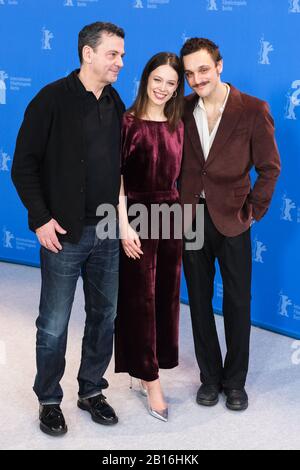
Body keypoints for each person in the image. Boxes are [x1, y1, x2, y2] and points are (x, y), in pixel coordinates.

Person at [11, 22, 125, 436]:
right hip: (63, 235)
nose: (120, 62)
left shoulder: (115, 101)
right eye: (113, 54)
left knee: (104, 316)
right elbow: (23, 165)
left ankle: (92, 390)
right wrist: (40, 218)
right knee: (55, 322)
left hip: (108, 233)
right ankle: (48, 398)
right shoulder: (50, 100)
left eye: (122, 55)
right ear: (88, 53)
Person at [179, 38, 281, 411]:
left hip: (235, 218)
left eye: (203, 69)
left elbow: (270, 168)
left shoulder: (252, 110)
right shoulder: (182, 108)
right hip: (190, 219)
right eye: (189, 73)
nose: (196, 79)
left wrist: (253, 210)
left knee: (238, 302)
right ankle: (210, 377)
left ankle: (235, 381)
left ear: (219, 65)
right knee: (199, 303)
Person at [115, 52, 184, 422]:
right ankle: (149, 377)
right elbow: (118, 179)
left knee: (165, 299)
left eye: (171, 83)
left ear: (177, 89)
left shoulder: (179, 123)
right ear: (145, 79)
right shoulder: (126, 122)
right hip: (135, 215)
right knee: (138, 298)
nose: (163, 88)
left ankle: (151, 368)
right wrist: (123, 225)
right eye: (158, 79)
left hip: (172, 216)